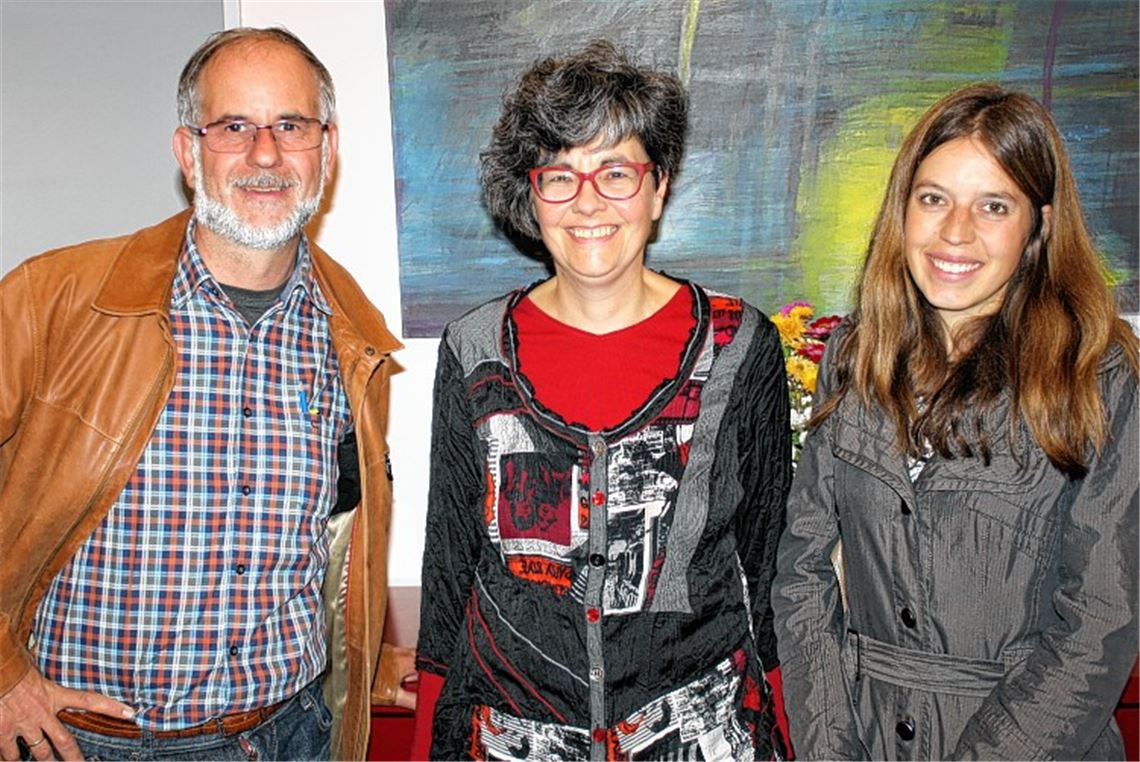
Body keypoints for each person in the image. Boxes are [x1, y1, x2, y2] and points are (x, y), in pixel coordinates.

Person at [0, 27, 412, 762]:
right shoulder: (54, 300)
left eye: (291, 125)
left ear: (328, 148)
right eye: (233, 127)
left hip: (289, 737)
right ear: (188, 151)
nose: (265, 154)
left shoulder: (355, 339)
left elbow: (332, 546)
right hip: (85, 746)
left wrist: (370, 658)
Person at [412, 40, 792, 760]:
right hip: (512, 733)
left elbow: (767, 569)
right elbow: (450, 569)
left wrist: (790, 730)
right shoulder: (473, 347)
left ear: (658, 187)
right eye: (560, 175)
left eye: (615, 172)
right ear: (531, 193)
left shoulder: (742, 347)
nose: (587, 202)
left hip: (702, 735)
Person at [772, 83, 1139, 759]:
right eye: (933, 198)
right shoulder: (855, 358)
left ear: (1040, 225)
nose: (954, 232)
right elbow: (801, 576)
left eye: (993, 206)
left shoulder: (1100, 376)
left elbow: (1099, 628)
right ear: (903, 209)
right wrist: (830, 748)